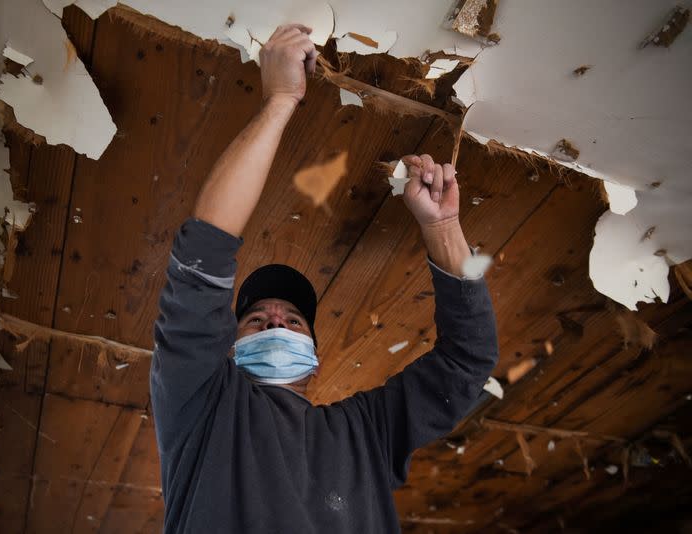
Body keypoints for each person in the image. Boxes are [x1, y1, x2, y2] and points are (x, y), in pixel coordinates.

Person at [150, 23, 498, 534]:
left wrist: (444, 227)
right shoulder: (200, 406)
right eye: (254, 319)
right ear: (224, 346)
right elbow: (203, 252)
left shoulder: (365, 433)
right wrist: (280, 100)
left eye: (293, 318)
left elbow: (467, 361)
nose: (277, 320)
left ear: (315, 360)